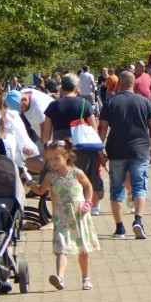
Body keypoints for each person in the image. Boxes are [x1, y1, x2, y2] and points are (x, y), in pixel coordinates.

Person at [27, 138, 100, 291]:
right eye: (50, 159)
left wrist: (88, 202)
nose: (53, 162)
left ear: (66, 156)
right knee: (61, 248)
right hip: (61, 217)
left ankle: (85, 278)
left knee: (83, 250)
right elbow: (41, 190)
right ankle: (60, 278)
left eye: (56, 158)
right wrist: (29, 183)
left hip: (78, 215)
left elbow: (88, 186)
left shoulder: (76, 173)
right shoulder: (50, 176)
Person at [98, 71, 151, 240]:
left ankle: (119, 228)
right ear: (134, 84)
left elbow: (102, 129)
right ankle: (138, 220)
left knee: (116, 189)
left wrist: (99, 151)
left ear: (118, 84)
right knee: (140, 187)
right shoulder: (145, 102)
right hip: (140, 151)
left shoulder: (110, 103)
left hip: (116, 151)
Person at [42, 73, 104, 215]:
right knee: (82, 178)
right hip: (81, 146)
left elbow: (46, 134)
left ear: (62, 88)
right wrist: (101, 153)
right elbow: (94, 130)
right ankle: (84, 208)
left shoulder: (53, 105)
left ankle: (64, 211)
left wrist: (47, 155)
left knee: (62, 179)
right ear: (76, 88)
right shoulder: (84, 104)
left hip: (59, 148)